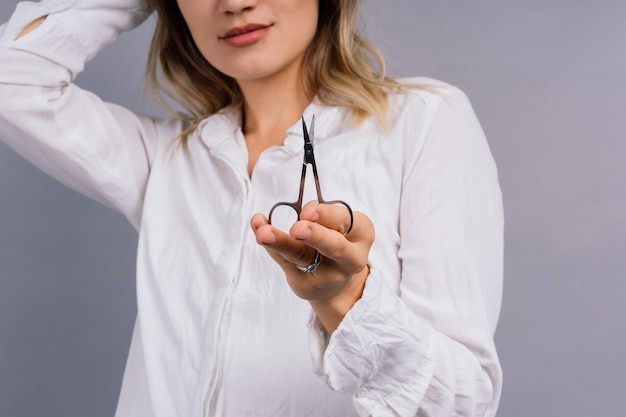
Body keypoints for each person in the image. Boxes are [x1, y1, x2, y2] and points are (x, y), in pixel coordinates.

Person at [0, 0, 504, 416]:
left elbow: (460, 403)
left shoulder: (422, 123)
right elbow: (12, 81)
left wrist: (344, 302)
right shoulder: (168, 160)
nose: (234, 4)